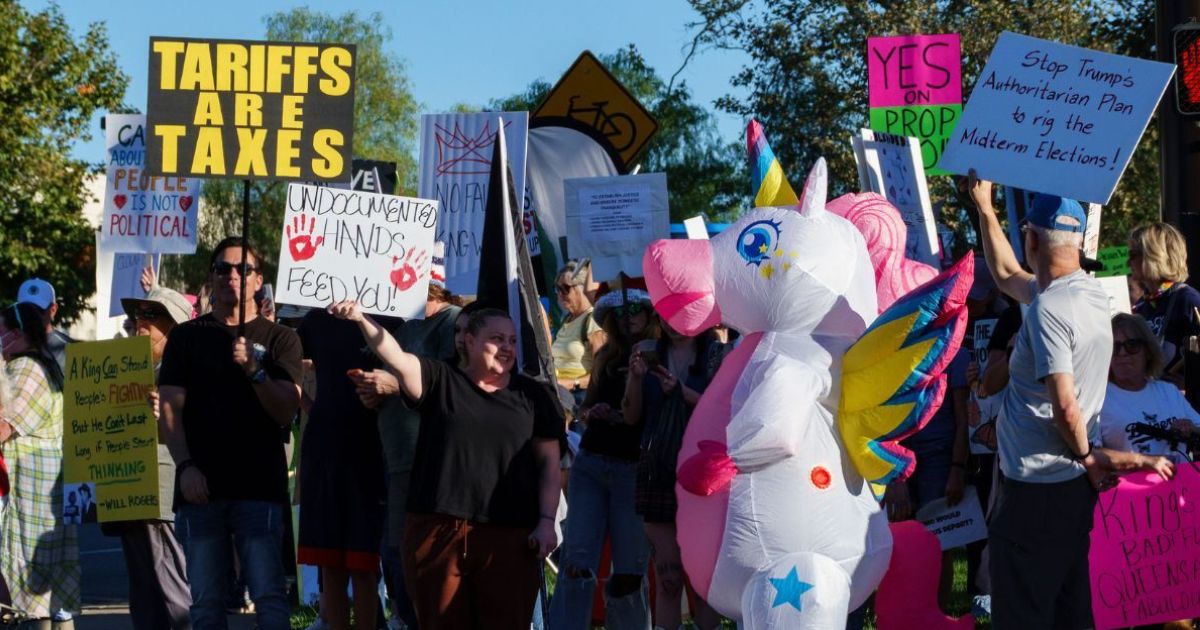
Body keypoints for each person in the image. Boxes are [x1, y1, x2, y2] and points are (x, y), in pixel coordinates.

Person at [968, 172, 1172, 628]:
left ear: (1032, 240)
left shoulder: (1049, 309)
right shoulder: (1086, 296)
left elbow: (1066, 405)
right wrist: (985, 207)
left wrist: (1088, 456)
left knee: (1024, 614)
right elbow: (1006, 276)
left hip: (1035, 493)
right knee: (1068, 608)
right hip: (1065, 491)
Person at [329, 301, 562, 628]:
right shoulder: (440, 379)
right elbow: (393, 355)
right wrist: (359, 319)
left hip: (509, 536)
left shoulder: (534, 396)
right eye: (497, 339)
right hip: (437, 531)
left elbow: (550, 466)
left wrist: (546, 521)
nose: (506, 347)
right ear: (469, 340)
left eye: (511, 340)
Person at [158, 237, 302, 630]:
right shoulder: (186, 337)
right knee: (204, 603)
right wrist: (185, 466)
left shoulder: (281, 340)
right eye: (223, 268)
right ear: (211, 277)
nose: (232, 276)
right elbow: (170, 409)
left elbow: (288, 407)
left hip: (259, 489)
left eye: (244, 270)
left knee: (270, 596)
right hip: (200, 490)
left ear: (259, 281)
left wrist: (255, 371)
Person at [351, 256, 463, 630]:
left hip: (429, 460)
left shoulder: (452, 323)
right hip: (397, 459)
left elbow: (454, 385)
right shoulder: (405, 326)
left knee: (418, 560)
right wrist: (374, 392)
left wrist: (393, 385)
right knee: (396, 555)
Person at [550, 288, 658, 630]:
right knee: (576, 564)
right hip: (593, 463)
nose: (631, 315)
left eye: (639, 308)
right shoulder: (606, 357)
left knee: (628, 572)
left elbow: (642, 417)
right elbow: (585, 407)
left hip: (634, 469)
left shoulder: (661, 357)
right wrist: (592, 411)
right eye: (623, 311)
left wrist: (624, 406)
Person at [622, 323, 725, 630]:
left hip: (704, 472)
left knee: (705, 581)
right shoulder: (648, 352)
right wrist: (635, 378)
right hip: (658, 471)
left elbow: (726, 410)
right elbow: (630, 416)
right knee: (668, 579)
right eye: (667, 314)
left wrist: (684, 393)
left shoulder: (717, 355)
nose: (673, 322)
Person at [296, 308, 386, 630]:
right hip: (324, 449)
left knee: (364, 564)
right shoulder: (315, 319)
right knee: (329, 562)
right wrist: (310, 406)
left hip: (372, 450)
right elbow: (286, 365)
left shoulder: (391, 315)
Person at [112, 287, 195, 630]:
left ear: (174, 326)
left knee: (172, 591)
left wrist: (170, 411)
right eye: (137, 317)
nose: (139, 324)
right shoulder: (122, 370)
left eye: (151, 316)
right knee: (144, 594)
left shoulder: (186, 371)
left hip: (161, 493)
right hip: (126, 492)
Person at [0, 302, 79, 625]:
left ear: (17, 334)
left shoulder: (27, 369)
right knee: (49, 591)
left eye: (1, 332)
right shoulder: (42, 363)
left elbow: (3, 427)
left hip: (33, 492)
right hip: (45, 489)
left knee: (34, 591)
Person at [1102, 313, 1200, 460]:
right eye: (1114, 347)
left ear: (1148, 351)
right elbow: (1090, 455)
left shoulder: (1168, 391)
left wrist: (1190, 429)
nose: (1122, 353)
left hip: (1183, 479)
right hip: (1134, 482)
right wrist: (1142, 462)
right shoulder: (1099, 400)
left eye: (1131, 345)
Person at [1129, 222, 1200, 386]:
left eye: (1133, 254)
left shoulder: (1188, 300)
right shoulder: (1142, 306)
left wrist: (1191, 385)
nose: (1128, 261)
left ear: (1154, 256)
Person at [551, 260, 605, 398]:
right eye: (557, 289)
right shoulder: (566, 320)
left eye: (565, 288)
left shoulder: (592, 318)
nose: (560, 294)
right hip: (558, 391)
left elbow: (600, 372)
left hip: (578, 396)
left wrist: (572, 383)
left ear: (581, 288)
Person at [16, 278, 73, 373]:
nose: (31, 315)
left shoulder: (69, 349)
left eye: (38, 310)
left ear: (53, 309)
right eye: (25, 310)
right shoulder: (7, 344)